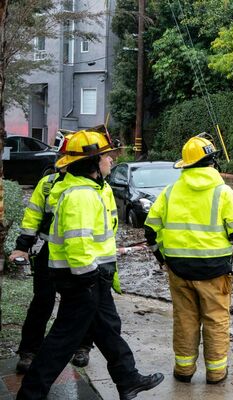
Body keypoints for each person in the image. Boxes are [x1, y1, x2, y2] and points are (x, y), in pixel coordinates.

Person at [17, 128, 163, 400]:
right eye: (106, 157)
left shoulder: (90, 189)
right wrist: (88, 276)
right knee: (63, 340)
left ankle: (128, 378)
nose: (110, 161)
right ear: (92, 162)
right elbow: (78, 242)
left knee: (107, 327)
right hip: (83, 278)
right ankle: (31, 393)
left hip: (93, 276)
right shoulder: (81, 195)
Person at [144, 134, 233, 384]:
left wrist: (161, 256)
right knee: (216, 321)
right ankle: (216, 373)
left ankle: (183, 370)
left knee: (185, 320)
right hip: (215, 271)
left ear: (187, 164)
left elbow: (149, 231)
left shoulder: (170, 192)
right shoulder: (223, 192)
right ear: (212, 162)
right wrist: (223, 246)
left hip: (178, 270)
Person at [9, 132, 95, 374]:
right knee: (42, 301)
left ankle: (82, 347)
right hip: (50, 251)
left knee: (80, 303)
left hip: (83, 252)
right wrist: (22, 246)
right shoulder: (47, 184)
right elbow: (33, 216)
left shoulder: (95, 185)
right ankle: (29, 351)